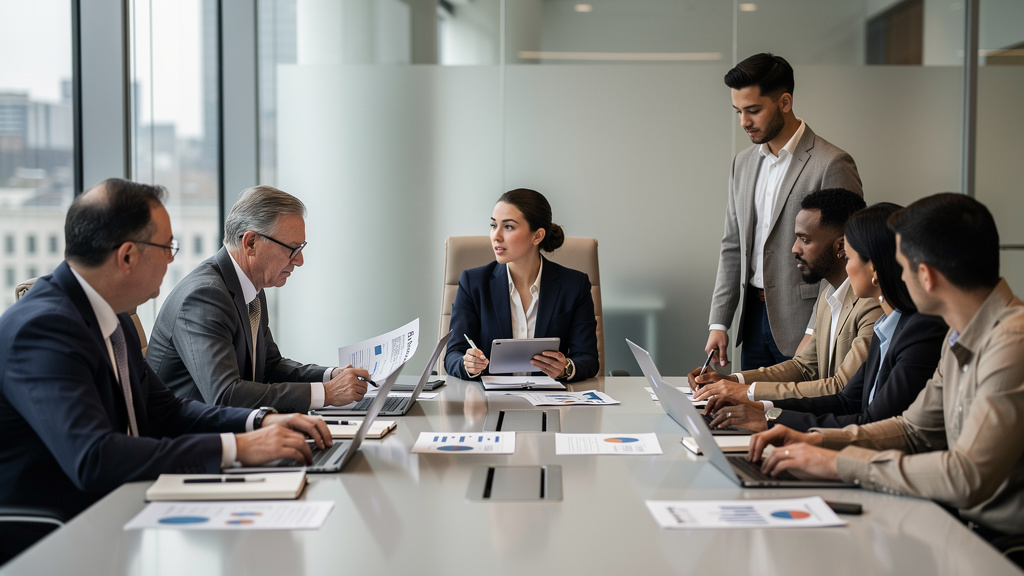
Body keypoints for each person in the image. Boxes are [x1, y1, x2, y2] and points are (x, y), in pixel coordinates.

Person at [0, 179, 331, 561]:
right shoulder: (42, 329)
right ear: (127, 256)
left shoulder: (114, 319)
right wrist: (237, 446)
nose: (173, 260)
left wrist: (258, 423)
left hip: (127, 504)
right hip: (60, 533)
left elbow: (167, 411)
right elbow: (94, 457)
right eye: (167, 247)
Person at [749, 193, 1024, 543]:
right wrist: (815, 441)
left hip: (1001, 547)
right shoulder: (960, 335)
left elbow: (966, 476)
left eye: (902, 267)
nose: (899, 278)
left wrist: (836, 464)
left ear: (926, 276)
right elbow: (913, 430)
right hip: (963, 532)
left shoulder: (1012, 342)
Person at [702, 203, 947, 432]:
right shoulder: (881, 323)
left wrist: (764, 415)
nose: (794, 248)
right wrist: (761, 407)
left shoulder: (904, 325)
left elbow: (868, 418)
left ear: (874, 268)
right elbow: (844, 399)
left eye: (850, 258)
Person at [147, 185, 369, 412]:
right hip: (189, 439)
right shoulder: (204, 296)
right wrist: (328, 393)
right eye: (292, 249)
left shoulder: (249, 287)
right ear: (251, 243)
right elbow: (225, 395)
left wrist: (331, 376)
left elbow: (269, 367)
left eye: (301, 248)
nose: (299, 260)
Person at [706, 53, 863, 372]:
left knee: (796, 418)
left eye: (753, 110)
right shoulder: (743, 163)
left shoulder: (831, 163)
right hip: (751, 321)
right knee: (747, 413)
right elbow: (733, 246)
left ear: (785, 102)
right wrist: (719, 322)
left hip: (803, 324)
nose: (744, 122)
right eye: (738, 111)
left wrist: (814, 330)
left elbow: (848, 254)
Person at [692, 188, 880, 402]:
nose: (794, 248)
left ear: (840, 246)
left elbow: (841, 387)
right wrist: (733, 380)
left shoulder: (871, 306)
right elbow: (803, 367)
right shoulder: (828, 296)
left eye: (805, 240)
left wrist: (746, 393)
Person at [445, 188, 599, 382]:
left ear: (537, 236)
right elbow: (453, 355)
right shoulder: (473, 283)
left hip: (551, 403)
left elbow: (588, 358)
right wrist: (468, 364)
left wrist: (566, 368)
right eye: (493, 225)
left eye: (508, 227)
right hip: (490, 403)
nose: (496, 236)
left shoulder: (574, 285)